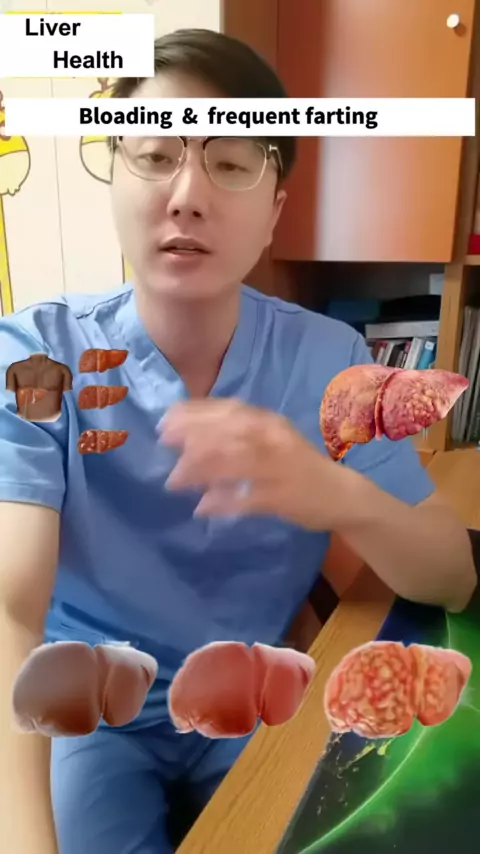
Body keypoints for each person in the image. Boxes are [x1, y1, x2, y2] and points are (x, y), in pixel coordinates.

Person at [0, 27, 475, 854]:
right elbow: (11, 608)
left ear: (274, 211)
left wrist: (338, 494)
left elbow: (453, 576)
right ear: (115, 175)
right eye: (155, 156)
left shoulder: (331, 359)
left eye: (229, 163)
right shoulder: (38, 356)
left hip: (258, 695)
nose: (187, 194)